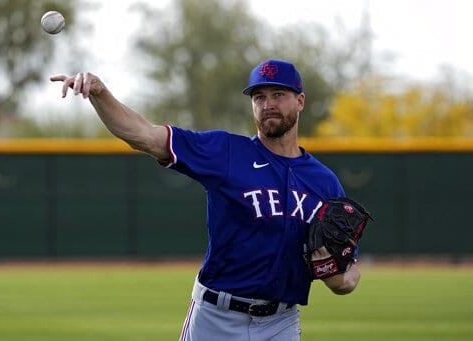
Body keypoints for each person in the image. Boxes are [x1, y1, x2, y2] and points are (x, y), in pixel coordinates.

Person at [51, 59, 361, 340]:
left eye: (278, 94)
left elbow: (345, 275)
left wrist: (339, 275)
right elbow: (144, 135)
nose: (267, 104)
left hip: (280, 324)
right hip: (216, 320)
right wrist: (101, 93)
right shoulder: (225, 152)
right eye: (259, 97)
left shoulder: (324, 182)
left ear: (300, 100)